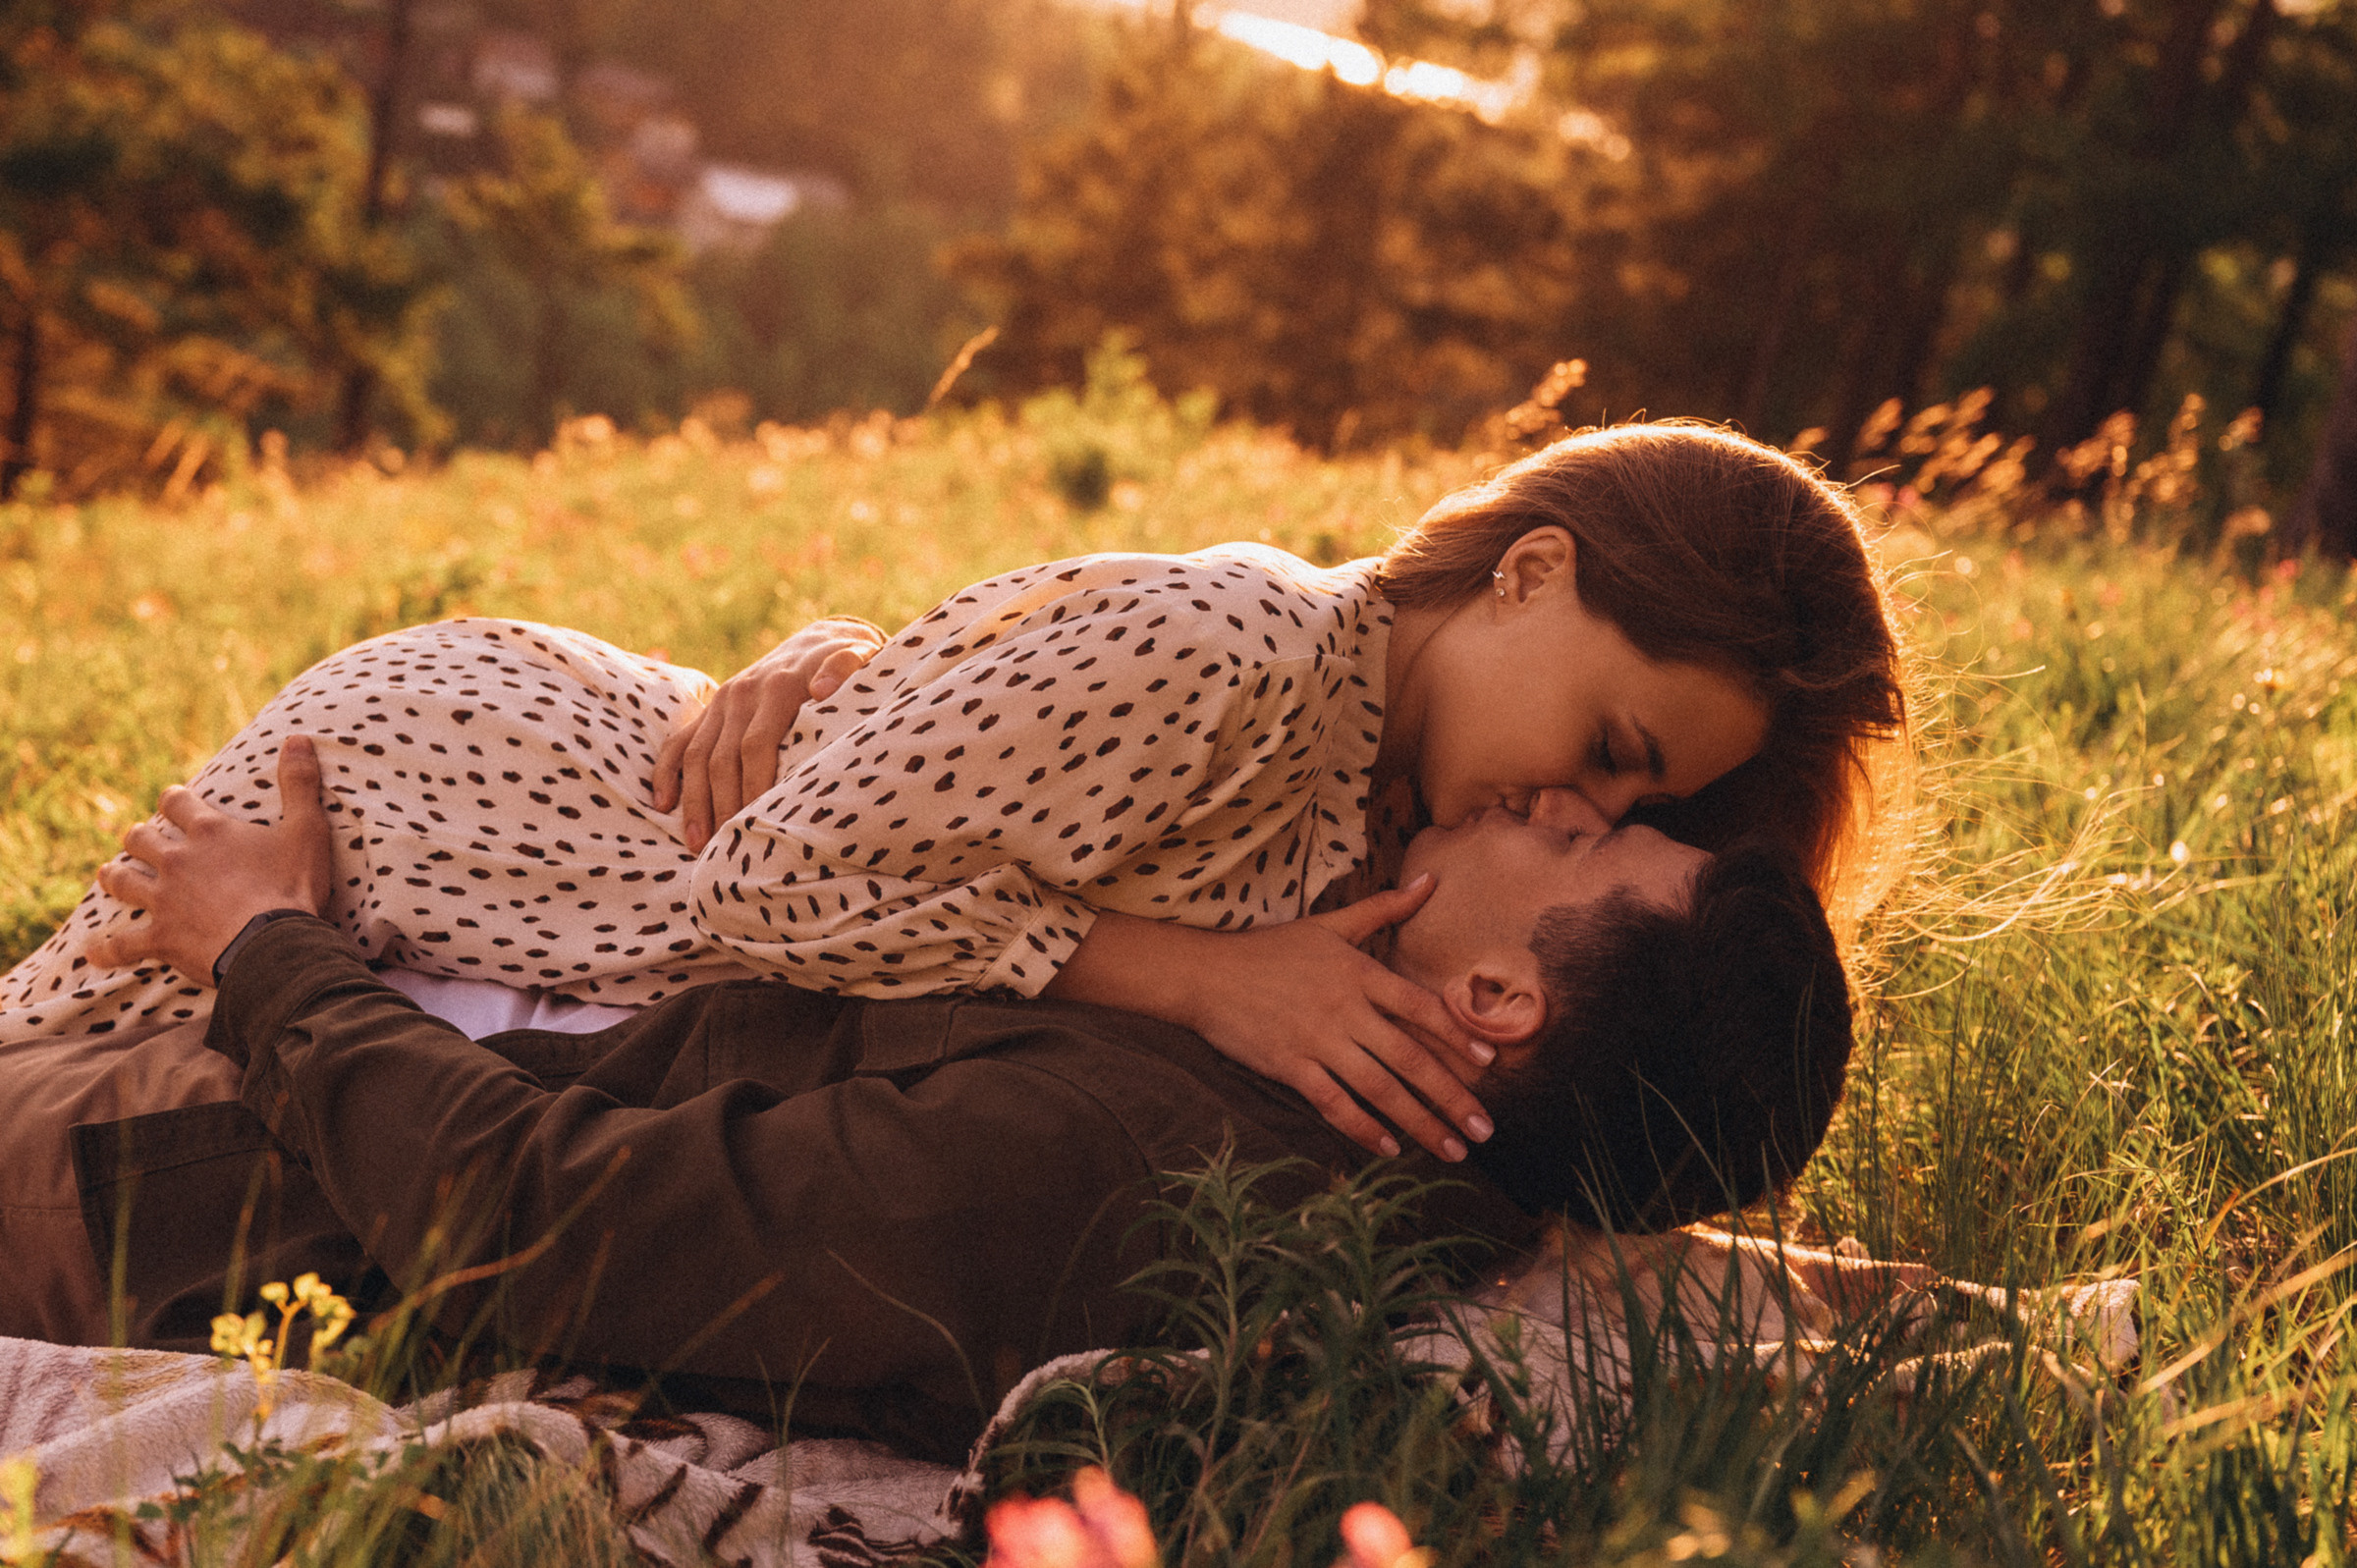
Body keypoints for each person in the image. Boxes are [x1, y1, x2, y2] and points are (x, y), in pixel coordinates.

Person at [0, 422, 1904, 1166]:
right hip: (455, 794)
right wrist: (1185, 975)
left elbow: (961, 747)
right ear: (1532, 571)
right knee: (52, 1073)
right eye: (1609, 749)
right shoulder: (1241, 652)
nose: (1575, 809)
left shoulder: (1373, 795)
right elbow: (774, 889)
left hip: (583, 916)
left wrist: (851, 661)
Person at [0, 736, 1852, 1458]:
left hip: (198, 1185)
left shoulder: (1131, 1168)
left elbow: (529, 1218)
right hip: (363, 1058)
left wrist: (265, 948)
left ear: (1498, 1002)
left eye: (1583, 835)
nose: (1541, 796)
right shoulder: (1325, 1083)